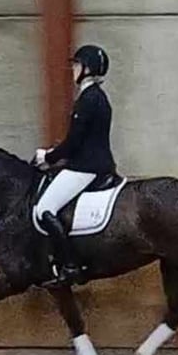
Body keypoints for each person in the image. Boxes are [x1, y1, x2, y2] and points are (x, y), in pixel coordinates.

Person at [34, 44, 116, 287]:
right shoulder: (96, 97)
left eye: (77, 65)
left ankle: (70, 266)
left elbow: (73, 142)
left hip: (87, 167)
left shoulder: (89, 99)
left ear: (87, 69)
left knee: (44, 209)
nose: (73, 69)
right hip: (91, 163)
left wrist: (47, 157)